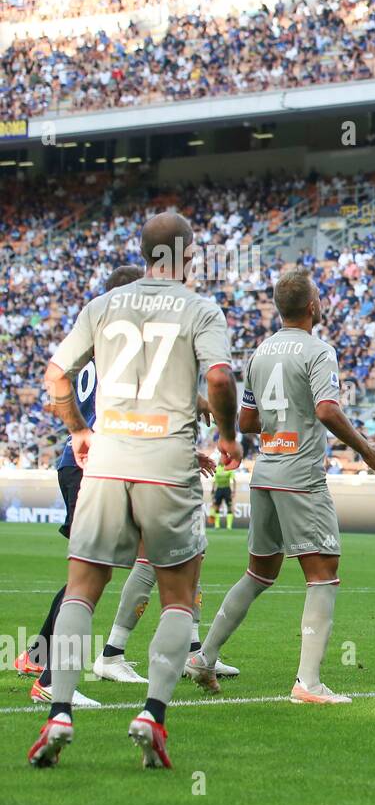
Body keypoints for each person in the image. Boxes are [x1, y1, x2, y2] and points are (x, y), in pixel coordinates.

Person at [29, 212, 241, 769]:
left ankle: (60, 711)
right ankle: (151, 714)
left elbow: (55, 376)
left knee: (81, 589)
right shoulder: (201, 309)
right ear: (186, 256)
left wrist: (79, 430)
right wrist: (226, 437)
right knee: (177, 595)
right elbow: (218, 378)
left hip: (107, 460)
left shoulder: (102, 306)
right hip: (166, 465)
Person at [188, 269, 375, 703]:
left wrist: (277, 427)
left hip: (266, 473)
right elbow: (325, 409)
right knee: (323, 574)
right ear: (312, 307)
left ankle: (203, 657)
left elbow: (245, 421)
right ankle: (308, 683)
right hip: (301, 476)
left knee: (258, 573)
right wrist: (366, 449)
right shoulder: (319, 351)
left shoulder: (261, 352)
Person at [15, 266, 149, 703]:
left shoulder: (96, 345)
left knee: (90, 570)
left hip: (80, 463)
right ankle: (53, 678)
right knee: (90, 572)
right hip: (91, 464)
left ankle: (39, 658)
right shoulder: (122, 344)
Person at [209, 459, 235, 529]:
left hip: (227, 489)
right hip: (219, 489)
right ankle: (217, 525)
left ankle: (229, 526)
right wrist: (212, 489)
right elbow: (214, 480)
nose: (221, 460)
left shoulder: (229, 468)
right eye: (220, 459)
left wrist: (233, 491)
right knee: (216, 507)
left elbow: (233, 480)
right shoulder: (217, 469)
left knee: (229, 507)